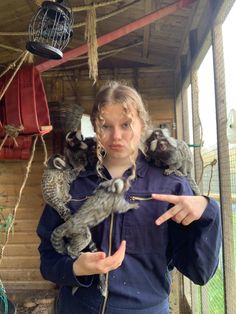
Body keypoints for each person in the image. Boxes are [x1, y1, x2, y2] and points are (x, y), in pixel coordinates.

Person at [37, 81, 222, 314]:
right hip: (78, 307)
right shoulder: (72, 184)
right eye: (106, 126)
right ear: (95, 128)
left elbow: (200, 271)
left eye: (126, 124)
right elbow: (48, 259)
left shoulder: (171, 185)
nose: (116, 136)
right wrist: (74, 268)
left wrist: (208, 211)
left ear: (142, 124)